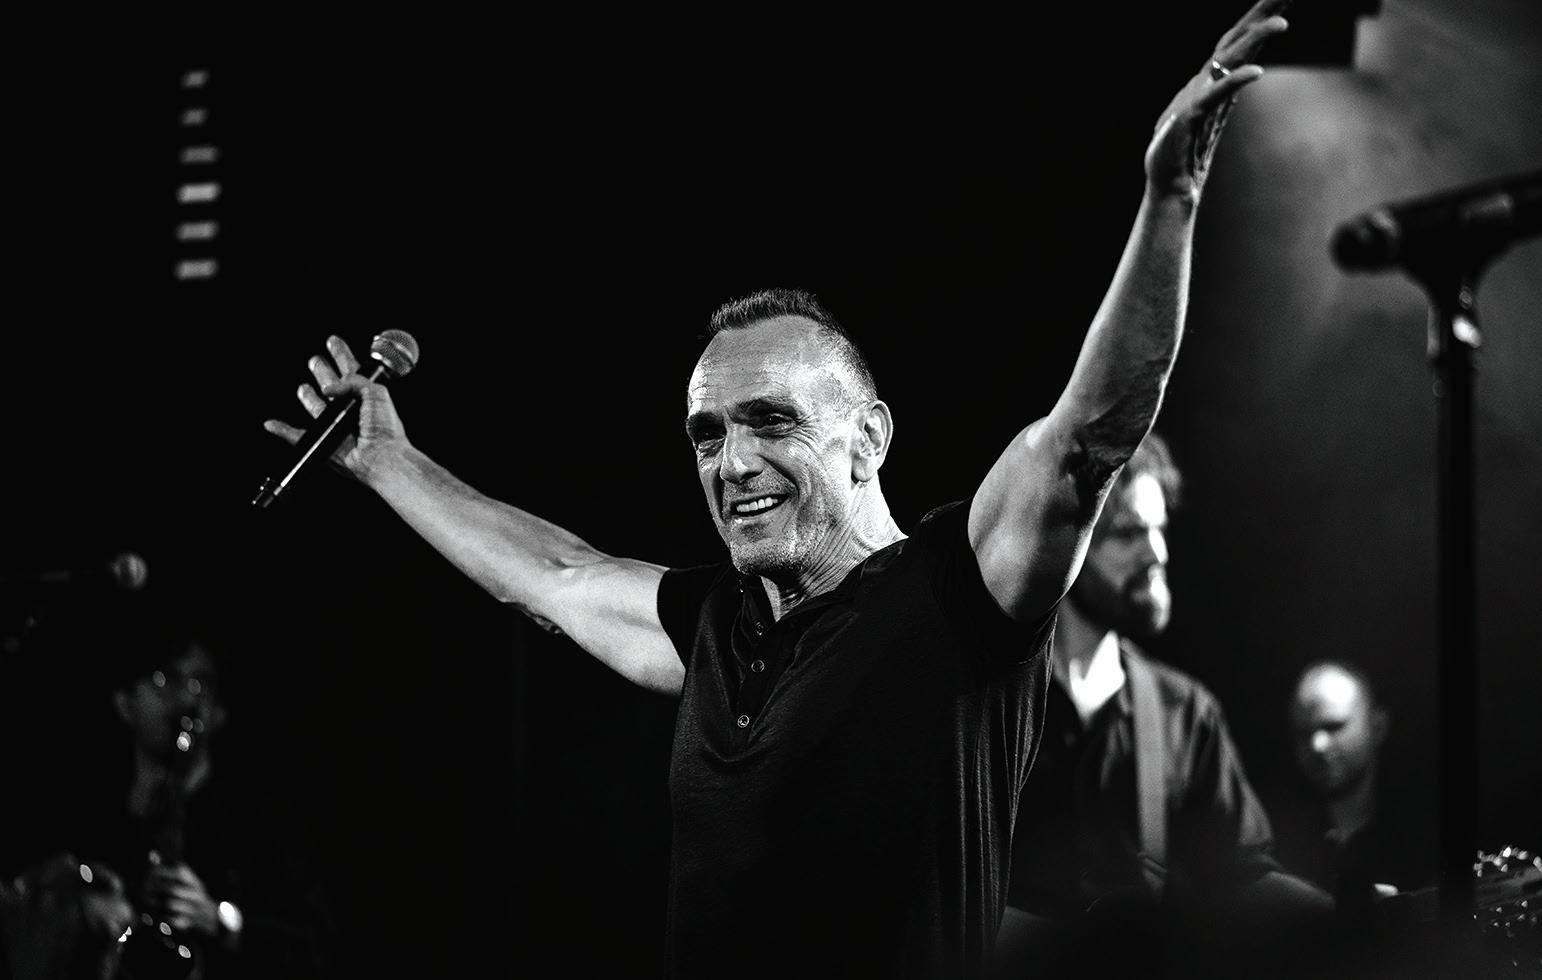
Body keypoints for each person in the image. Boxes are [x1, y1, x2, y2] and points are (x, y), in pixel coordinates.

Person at [263, 4, 1293, 975]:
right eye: (708, 434)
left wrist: (1170, 200)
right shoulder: (716, 625)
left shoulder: (955, 594)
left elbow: (1088, 437)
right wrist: (386, 460)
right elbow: (556, 574)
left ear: (868, 437)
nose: (732, 462)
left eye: (771, 422)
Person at [996, 433, 1330, 976]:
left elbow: (1242, 876)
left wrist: (1356, 917)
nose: (1159, 553)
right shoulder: (992, 704)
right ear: (1068, 543)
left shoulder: (1184, 710)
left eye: (1159, 529)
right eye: (1129, 533)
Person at [1281, 659, 1434, 914]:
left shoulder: (1423, 840)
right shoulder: (1277, 840)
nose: (1317, 745)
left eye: (1334, 726)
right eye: (1303, 732)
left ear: (1378, 726)